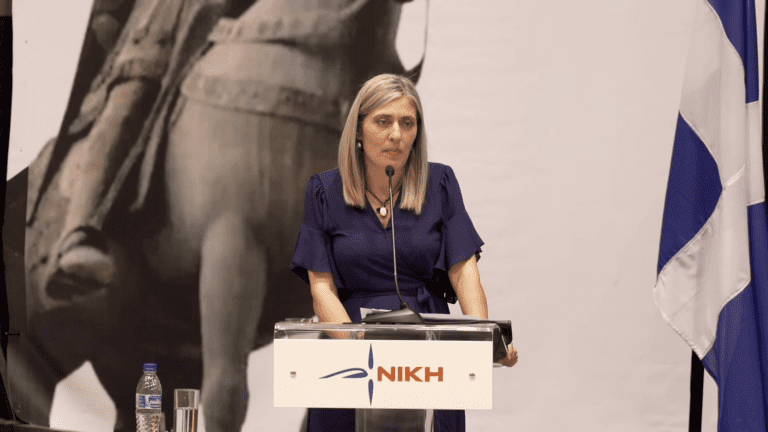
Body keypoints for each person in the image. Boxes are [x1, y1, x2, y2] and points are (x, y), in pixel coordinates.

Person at [290, 74, 518, 432]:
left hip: (428, 355)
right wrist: (362, 352)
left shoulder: (440, 184)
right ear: (359, 130)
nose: (396, 134)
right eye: (383, 121)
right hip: (348, 352)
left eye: (407, 123)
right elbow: (321, 288)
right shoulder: (324, 191)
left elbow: (464, 271)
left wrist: (484, 337)